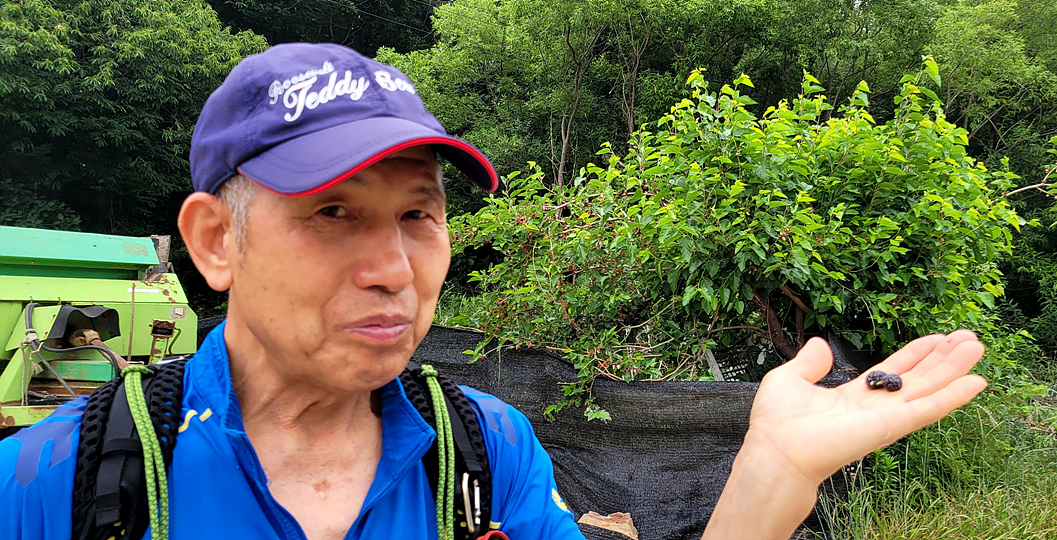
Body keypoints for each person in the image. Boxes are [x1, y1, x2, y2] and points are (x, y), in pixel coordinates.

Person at [0, 43, 987, 540]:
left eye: (418, 215)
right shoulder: (57, 482)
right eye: (333, 213)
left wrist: (770, 476)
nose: (394, 267)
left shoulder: (483, 453)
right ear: (218, 242)